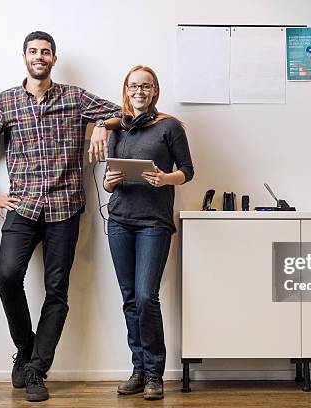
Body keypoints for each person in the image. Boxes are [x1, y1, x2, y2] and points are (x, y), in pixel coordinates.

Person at [0, 31, 122, 402]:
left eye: (46, 52)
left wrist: (100, 124)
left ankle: (36, 369)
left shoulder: (75, 97)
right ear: (24, 57)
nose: (40, 56)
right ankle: (26, 348)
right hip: (22, 207)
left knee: (57, 292)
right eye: (34, 51)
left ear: (54, 59)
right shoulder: (4, 102)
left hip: (64, 209)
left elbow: (121, 112)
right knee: (7, 277)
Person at [103, 66, 194, 400]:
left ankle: (155, 373)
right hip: (119, 221)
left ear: (155, 91)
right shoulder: (116, 128)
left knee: (145, 296)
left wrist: (166, 179)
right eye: (133, 86)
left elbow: (188, 170)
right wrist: (108, 182)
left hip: (154, 224)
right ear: (126, 90)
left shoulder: (169, 127)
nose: (139, 91)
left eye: (146, 86)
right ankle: (138, 370)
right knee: (129, 299)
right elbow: (110, 175)